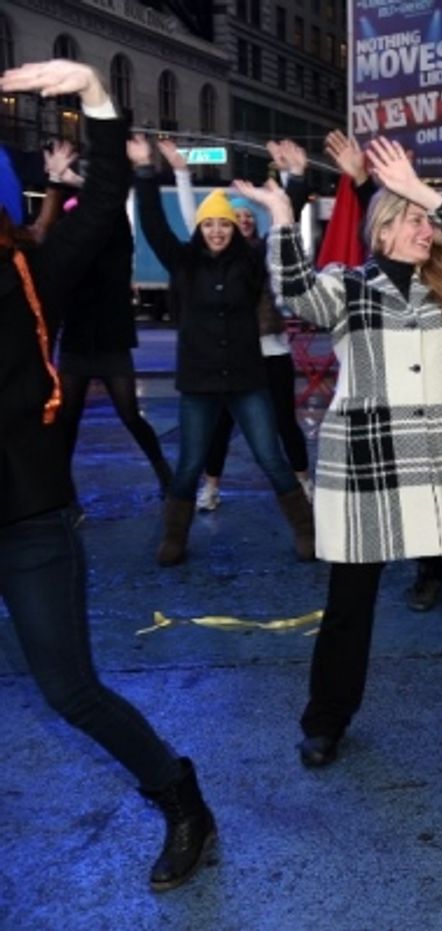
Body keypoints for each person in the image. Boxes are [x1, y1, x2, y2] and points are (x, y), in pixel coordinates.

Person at [239, 136, 442, 767]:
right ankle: (327, 719)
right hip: (368, 461)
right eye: (416, 219)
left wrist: (425, 191)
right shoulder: (347, 287)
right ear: (385, 230)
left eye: (427, 219)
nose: (427, 229)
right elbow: (293, 293)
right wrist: (285, 217)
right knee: (350, 601)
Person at [0, 58, 215, 890]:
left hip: (27, 519)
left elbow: (100, 211)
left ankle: (180, 794)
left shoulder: (28, 275)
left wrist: (94, 95)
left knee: (70, 691)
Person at [128, 136, 314, 566]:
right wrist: (144, 171)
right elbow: (153, 223)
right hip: (199, 381)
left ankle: (306, 532)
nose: (216, 231)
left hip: (248, 380)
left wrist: (298, 180)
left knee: (271, 457)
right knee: (191, 462)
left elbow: (284, 224)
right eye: (210, 224)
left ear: (233, 229)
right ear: (200, 228)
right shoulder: (184, 262)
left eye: (224, 225)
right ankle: (174, 537)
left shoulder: (249, 263)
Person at [39, 140, 173, 498]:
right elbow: (48, 238)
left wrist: (71, 181)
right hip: (79, 341)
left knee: (130, 414)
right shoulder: (68, 238)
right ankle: (59, 487)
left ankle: (164, 473)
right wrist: (62, 183)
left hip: (111, 340)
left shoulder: (115, 232)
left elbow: (111, 208)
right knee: (68, 421)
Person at [185, 140, 314, 511]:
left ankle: (304, 482)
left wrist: (293, 177)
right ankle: (210, 487)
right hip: (235, 357)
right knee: (220, 427)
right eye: (233, 219)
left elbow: (284, 220)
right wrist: (180, 173)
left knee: (283, 423)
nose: (241, 223)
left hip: (271, 351)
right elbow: (187, 221)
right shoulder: (214, 261)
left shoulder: (262, 255)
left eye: (246, 219)